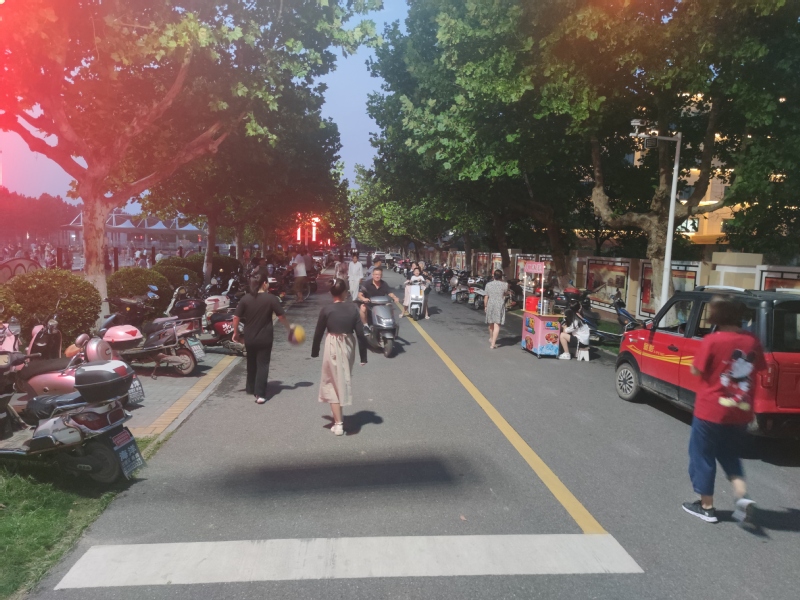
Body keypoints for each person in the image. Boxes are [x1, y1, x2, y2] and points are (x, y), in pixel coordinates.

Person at [682, 297, 766, 524]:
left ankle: (706, 507)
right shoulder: (752, 341)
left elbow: (696, 371)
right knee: (729, 455)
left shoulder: (712, 340)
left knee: (702, 456)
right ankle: (742, 496)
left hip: (711, 410)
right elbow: (759, 367)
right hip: (740, 412)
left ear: (719, 316)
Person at [311, 278, 368, 436]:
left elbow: (318, 332)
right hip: (348, 344)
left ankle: (338, 423)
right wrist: (363, 356)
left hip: (333, 344)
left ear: (331, 293)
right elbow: (360, 333)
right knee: (341, 380)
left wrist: (315, 351)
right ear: (345, 293)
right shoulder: (353, 309)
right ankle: (338, 418)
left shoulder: (327, 309)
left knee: (332, 383)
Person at [232, 271, 293, 404]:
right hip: (265, 337)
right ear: (264, 284)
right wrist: (289, 329)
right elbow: (281, 316)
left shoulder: (246, 299)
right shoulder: (271, 299)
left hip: (249, 337)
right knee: (263, 364)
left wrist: (235, 333)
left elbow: (236, 317)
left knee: (251, 361)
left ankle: (250, 387)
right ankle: (260, 394)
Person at [484, 269, 509, 349]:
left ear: (493, 276)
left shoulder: (488, 285)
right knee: (497, 324)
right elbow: (505, 293)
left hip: (490, 304)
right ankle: (493, 344)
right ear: (501, 276)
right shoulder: (505, 284)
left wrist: (485, 306)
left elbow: (486, 296)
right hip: (499, 304)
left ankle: (491, 338)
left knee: (490, 323)